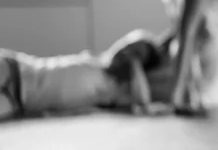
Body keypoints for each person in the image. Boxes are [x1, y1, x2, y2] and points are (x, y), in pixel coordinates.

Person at [0, 30, 160, 121]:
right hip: (16, 69)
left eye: (135, 53)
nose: (126, 51)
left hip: (17, 102)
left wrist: (134, 64)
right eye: (128, 44)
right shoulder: (94, 59)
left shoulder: (112, 92)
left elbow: (143, 102)